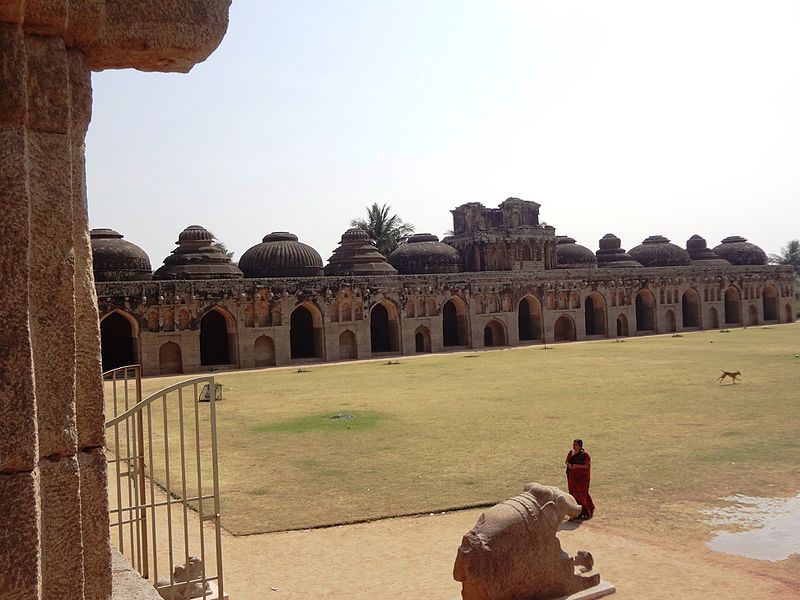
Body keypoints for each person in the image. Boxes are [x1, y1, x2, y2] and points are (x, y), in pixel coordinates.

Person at [565, 439, 594, 519]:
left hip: (581, 478)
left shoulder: (585, 455)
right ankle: (577, 512)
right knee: (573, 493)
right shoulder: (571, 453)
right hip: (572, 477)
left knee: (582, 494)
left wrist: (577, 466)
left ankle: (586, 511)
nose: (574, 446)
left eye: (576, 445)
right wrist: (569, 465)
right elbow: (566, 461)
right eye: (573, 444)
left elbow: (587, 466)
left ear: (580, 446)